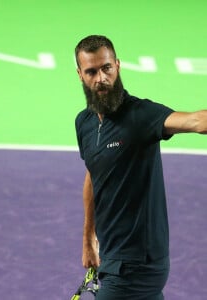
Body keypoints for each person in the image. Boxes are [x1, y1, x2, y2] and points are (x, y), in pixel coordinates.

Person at [74, 35, 207, 300]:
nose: (101, 78)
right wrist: (89, 237)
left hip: (137, 263)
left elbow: (197, 121)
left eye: (106, 68)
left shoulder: (141, 115)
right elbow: (94, 175)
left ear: (118, 66)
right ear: (80, 75)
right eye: (91, 71)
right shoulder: (84, 123)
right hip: (112, 257)